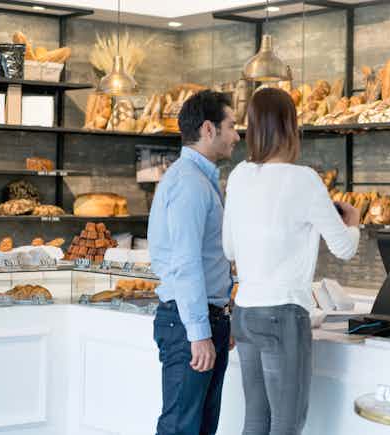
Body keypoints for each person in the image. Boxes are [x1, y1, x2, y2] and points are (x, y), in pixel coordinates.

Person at [222, 87, 360, 435]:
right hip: (282, 315)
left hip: (245, 312)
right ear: (290, 126)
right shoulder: (304, 180)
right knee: (286, 425)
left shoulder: (239, 175)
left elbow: (229, 250)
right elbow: (344, 249)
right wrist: (353, 223)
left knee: (255, 420)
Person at [148, 90, 240, 435]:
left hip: (202, 319)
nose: (237, 135)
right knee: (181, 428)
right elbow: (185, 263)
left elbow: (205, 258)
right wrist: (200, 332)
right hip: (188, 324)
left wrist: (220, 318)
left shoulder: (198, 179)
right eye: (231, 126)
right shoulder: (190, 182)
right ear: (208, 129)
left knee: (198, 427)